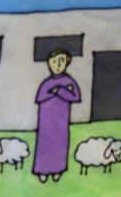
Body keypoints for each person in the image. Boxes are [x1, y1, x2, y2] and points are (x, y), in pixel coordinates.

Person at [33, 50, 80, 182]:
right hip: (46, 121)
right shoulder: (46, 83)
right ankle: (42, 170)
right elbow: (40, 97)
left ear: (67, 63)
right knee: (44, 144)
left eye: (61, 61)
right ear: (49, 64)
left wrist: (59, 91)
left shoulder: (69, 81)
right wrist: (54, 92)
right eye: (54, 61)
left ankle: (58, 169)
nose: (58, 64)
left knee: (60, 144)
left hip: (61, 120)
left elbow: (76, 97)